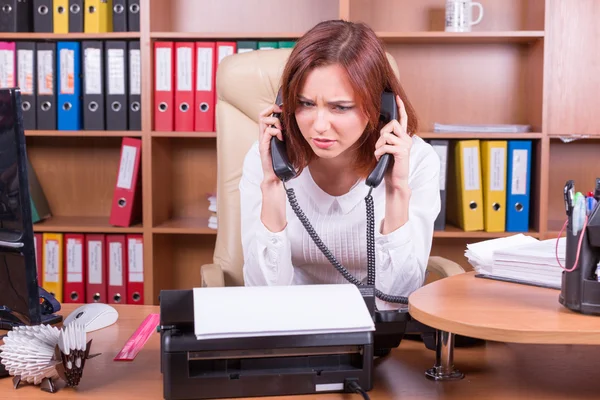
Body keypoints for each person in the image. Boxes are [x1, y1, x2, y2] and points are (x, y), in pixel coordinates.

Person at [239, 19, 441, 310]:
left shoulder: (417, 161)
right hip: (289, 328)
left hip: (376, 338)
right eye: (306, 103)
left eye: (340, 107)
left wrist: (397, 189)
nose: (319, 126)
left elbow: (399, 301)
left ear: (381, 108)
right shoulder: (266, 161)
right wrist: (272, 185)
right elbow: (261, 296)